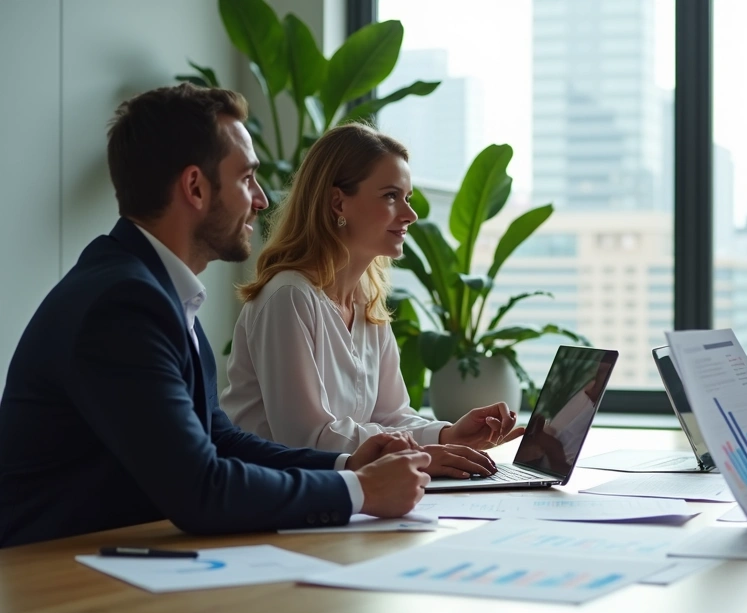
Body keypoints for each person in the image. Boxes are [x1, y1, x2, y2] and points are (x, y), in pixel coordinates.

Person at [0, 84, 432, 548]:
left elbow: (221, 440)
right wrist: (360, 491)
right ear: (195, 187)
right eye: (247, 178)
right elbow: (199, 489)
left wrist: (347, 464)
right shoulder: (123, 304)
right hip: (46, 575)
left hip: (108, 558)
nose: (262, 199)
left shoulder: (155, 290)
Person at [220, 123, 522, 480]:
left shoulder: (367, 302)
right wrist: (424, 454)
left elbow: (391, 416)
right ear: (338, 202)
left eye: (407, 198)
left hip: (344, 497)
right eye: (391, 196)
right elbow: (305, 439)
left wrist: (448, 434)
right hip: (279, 501)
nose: (410, 215)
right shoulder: (289, 297)